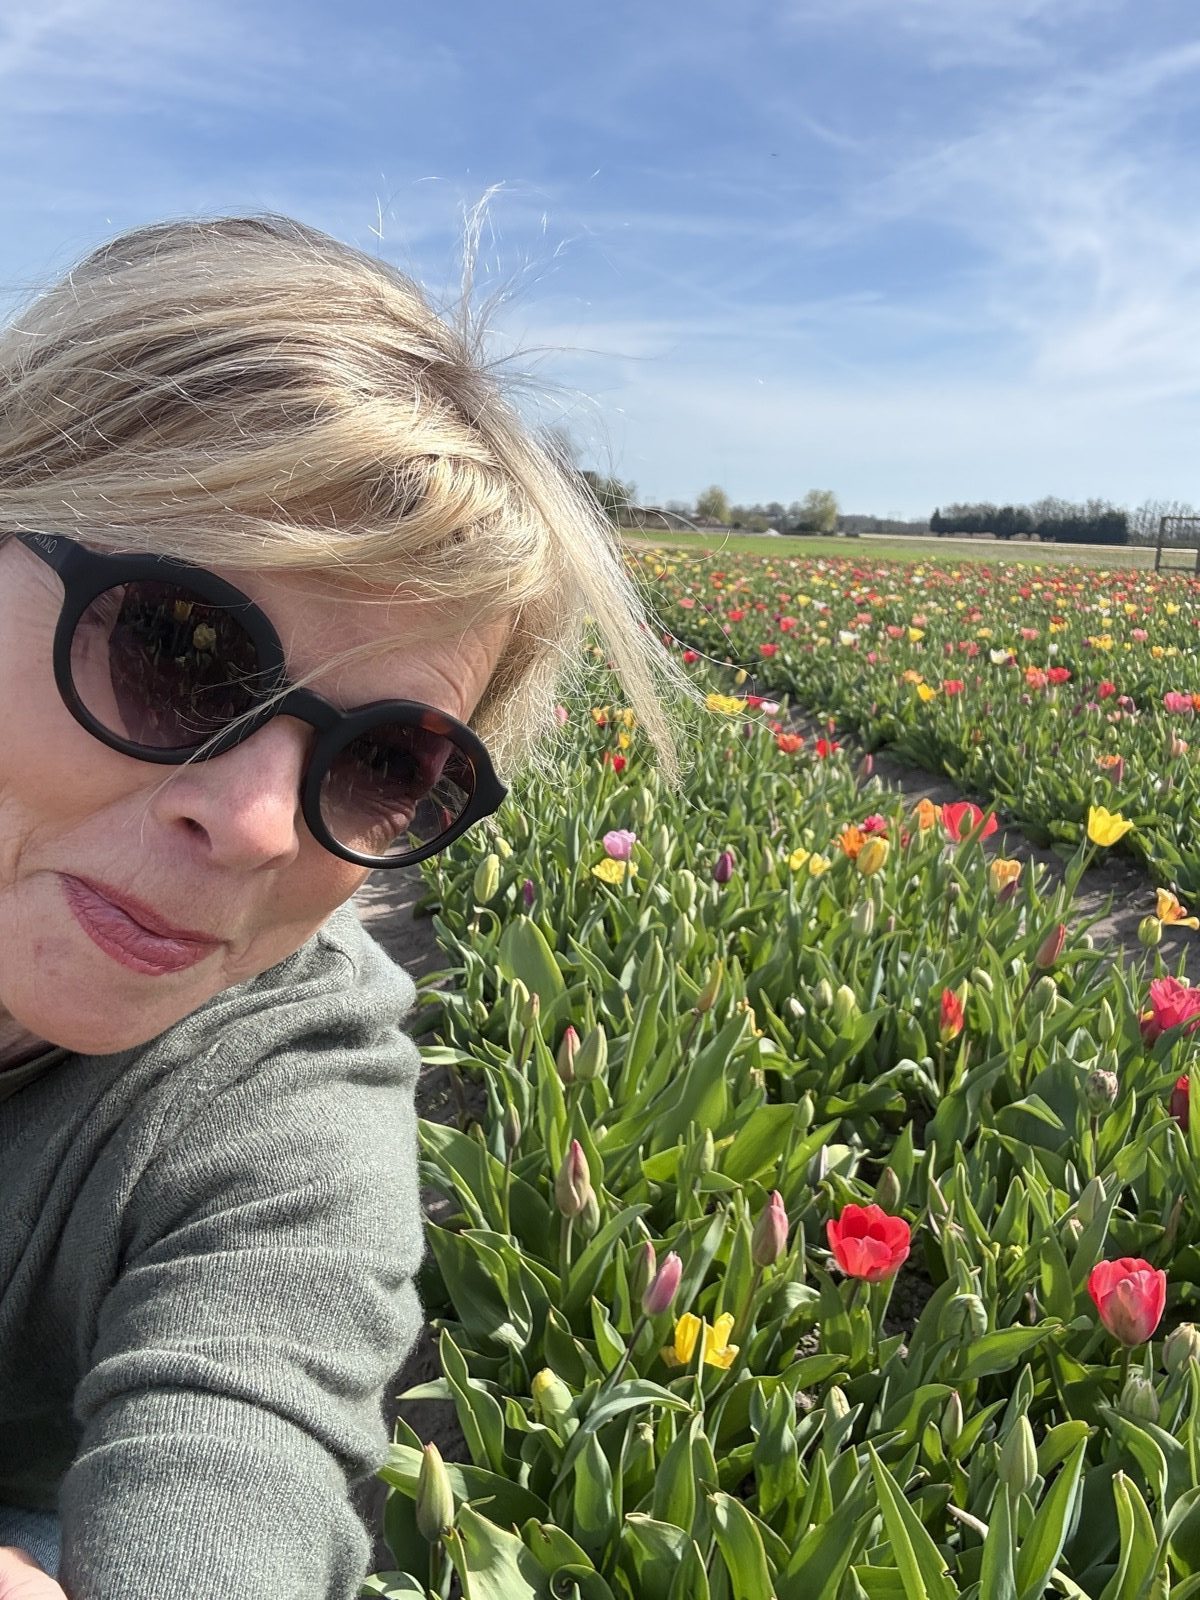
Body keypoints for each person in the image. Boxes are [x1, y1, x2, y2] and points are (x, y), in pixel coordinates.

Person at [0, 214, 702, 1599]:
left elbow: (240, 1480)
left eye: (388, 762)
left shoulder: (284, 1094)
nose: (259, 822)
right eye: (176, 648)